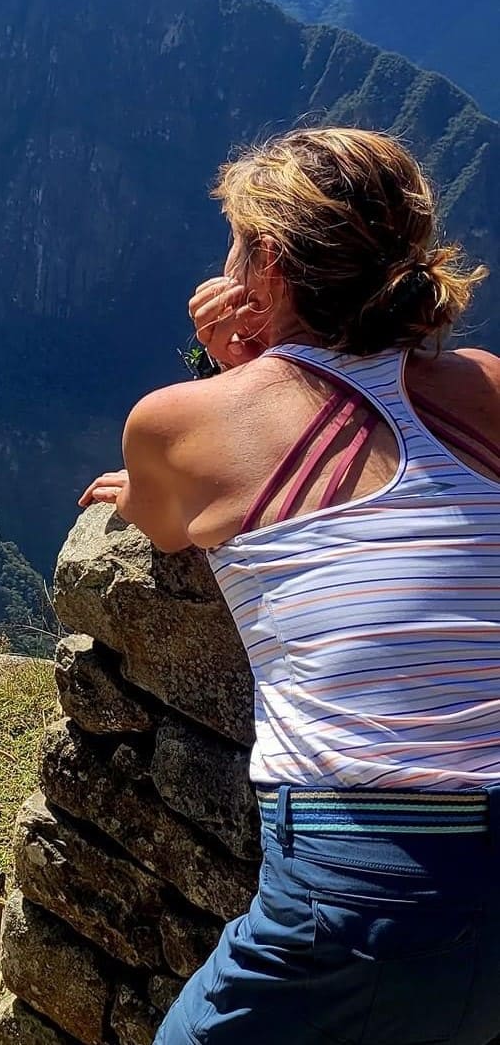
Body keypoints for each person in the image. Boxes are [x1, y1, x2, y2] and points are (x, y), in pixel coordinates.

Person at [79, 127, 500, 1045]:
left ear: (265, 262)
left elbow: (165, 515)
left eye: (235, 239)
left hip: (365, 895)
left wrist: (231, 368)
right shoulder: (487, 387)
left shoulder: (178, 424)